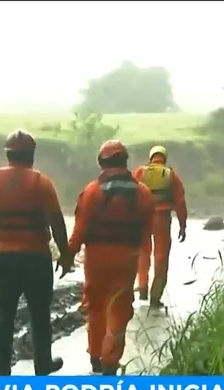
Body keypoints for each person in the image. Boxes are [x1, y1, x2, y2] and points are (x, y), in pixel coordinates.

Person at [0, 129, 75, 376]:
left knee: (1, 315)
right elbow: (56, 222)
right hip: (35, 257)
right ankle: (42, 367)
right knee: (40, 314)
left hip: (0, 257)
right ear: (31, 155)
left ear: (8, 154)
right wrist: (65, 254)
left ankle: (1, 372)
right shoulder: (41, 182)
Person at [68, 140, 154, 375]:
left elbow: (79, 231)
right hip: (127, 259)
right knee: (119, 307)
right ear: (125, 162)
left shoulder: (91, 192)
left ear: (101, 162)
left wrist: (68, 256)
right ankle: (110, 361)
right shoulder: (143, 193)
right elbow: (147, 233)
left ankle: (95, 357)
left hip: (96, 259)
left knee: (95, 306)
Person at [133, 145, 188, 309]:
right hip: (162, 219)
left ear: (151, 157)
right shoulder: (171, 175)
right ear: (164, 157)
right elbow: (180, 202)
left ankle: (142, 287)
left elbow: (131, 194)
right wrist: (182, 225)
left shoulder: (140, 173)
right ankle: (155, 297)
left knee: (143, 252)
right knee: (161, 257)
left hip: (142, 218)